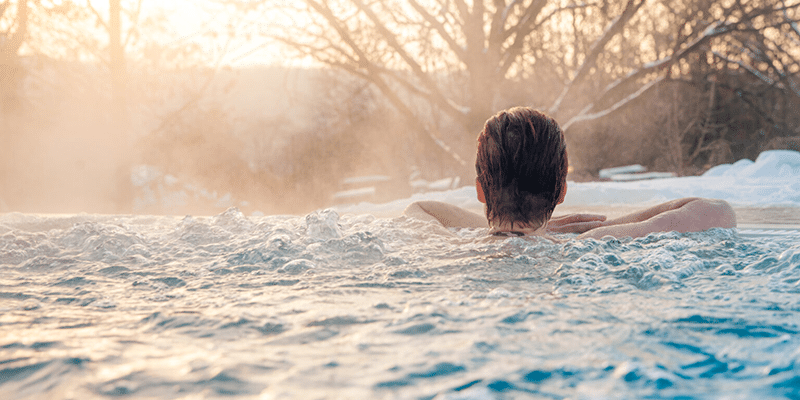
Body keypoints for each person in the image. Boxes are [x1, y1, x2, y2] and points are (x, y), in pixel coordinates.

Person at [403, 107, 736, 239]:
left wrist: (505, 225)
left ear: (479, 190)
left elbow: (419, 208)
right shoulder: (586, 246)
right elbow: (719, 212)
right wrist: (599, 229)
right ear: (561, 193)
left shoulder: (451, 245)